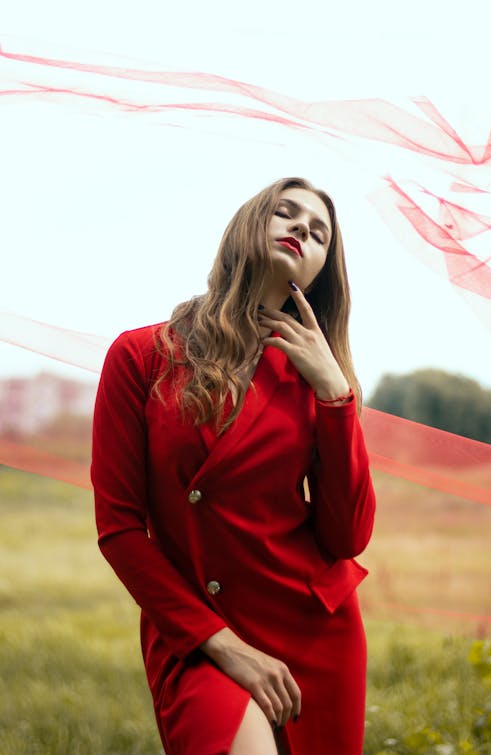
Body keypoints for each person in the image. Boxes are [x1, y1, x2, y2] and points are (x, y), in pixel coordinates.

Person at [91, 176, 376, 755]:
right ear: (249, 226)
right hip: (198, 631)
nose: (302, 229)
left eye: (318, 232)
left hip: (313, 631)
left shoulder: (316, 378)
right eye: (286, 214)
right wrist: (220, 643)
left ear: (320, 272)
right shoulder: (141, 355)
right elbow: (119, 529)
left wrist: (335, 396)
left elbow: (346, 536)